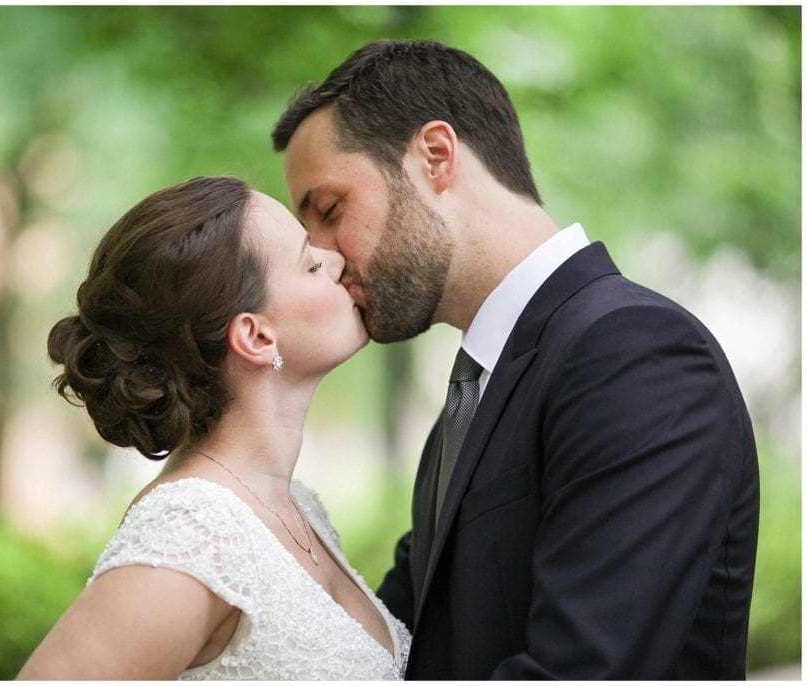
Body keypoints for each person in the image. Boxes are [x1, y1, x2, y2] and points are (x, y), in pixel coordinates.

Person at [272, 39, 759, 679]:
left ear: (436, 157)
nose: (326, 257)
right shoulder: (472, 394)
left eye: (330, 211)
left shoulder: (636, 353)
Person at [16, 175, 410, 680]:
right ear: (256, 336)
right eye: (311, 264)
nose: (335, 261)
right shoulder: (195, 532)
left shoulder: (297, 506)